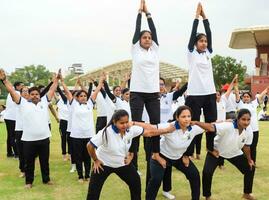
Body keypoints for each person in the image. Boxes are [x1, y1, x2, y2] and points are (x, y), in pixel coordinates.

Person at [86, 109, 175, 200]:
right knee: (93, 193)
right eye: (121, 123)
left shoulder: (130, 129)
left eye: (126, 122)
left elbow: (149, 133)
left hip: (122, 163)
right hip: (103, 164)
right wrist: (96, 160)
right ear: (114, 122)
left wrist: (166, 131)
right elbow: (90, 145)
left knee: (135, 182)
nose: (125, 125)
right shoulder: (105, 133)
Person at [0, 68, 60, 188]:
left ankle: (46, 179)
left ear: (39, 95)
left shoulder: (44, 102)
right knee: (29, 162)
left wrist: (56, 81)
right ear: (28, 95)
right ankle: (29, 182)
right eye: (32, 94)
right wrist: (5, 80)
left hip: (44, 139)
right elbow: (12, 90)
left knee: (44, 161)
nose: (34, 96)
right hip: (28, 140)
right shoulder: (22, 103)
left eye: (37, 94)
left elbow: (52, 90)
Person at [137, 106, 204, 200]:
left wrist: (227, 122)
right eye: (183, 116)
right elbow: (150, 127)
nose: (187, 119)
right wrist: (133, 123)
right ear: (177, 117)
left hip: (178, 157)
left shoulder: (194, 128)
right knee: (156, 180)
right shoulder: (170, 126)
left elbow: (211, 126)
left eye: (189, 116)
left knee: (194, 175)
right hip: (161, 156)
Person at [129, 0, 163, 182]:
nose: (148, 39)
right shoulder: (135, 49)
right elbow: (136, 31)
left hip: (152, 93)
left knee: (156, 124)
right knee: (135, 124)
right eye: (145, 37)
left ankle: (156, 153)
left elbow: (154, 31)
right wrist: (139, 13)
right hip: (137, 92)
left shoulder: (155, 50)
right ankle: (131, 156)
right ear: (140, 40)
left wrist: (149, 14)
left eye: (149, 37)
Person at [193, 109, 256, 200]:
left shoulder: (249, 130)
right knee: (207, 172)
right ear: (237, 119)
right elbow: (210, 127)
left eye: (248, 120)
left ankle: (247, 193)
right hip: (217, 152)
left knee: (250, 168)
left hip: (234, 153)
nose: (246, 122)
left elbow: (246, 147)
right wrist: (196, 122)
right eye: (243, 119)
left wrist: (250, 160)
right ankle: (207, 196)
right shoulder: (228, 126)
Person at [184, 3, 217, 158]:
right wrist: (196, 17)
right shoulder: (192, 53)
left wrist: (206, 17)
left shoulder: (208, 53)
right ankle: (189, 153)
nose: (204, 43)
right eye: (201, 41)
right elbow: (192, 34)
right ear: (196, 43)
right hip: (195, 94)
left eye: (205, 41)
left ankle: (210, 148)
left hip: (209, 93)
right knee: (192, 123)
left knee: (211, 123)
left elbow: (209, 32)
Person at [60, 74, 104, 182]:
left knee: (87, 156)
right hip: (76, 136)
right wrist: (61, 80)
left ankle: (87, 176)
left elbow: (96, 91)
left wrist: (101, 80)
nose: (83, 97)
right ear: (77, 98)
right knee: (78, 157)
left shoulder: (89, 104)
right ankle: (80, 176)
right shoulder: (73, 104)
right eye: (81, 96)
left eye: (85, 96)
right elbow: (67, 92)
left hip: (89, 135)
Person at [236, 86, 269, 164]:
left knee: (253, 147)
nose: (246, 98)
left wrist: (267, 88)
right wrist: (235, 86)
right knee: (243, 146)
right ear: (242, 98)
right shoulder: (240, 104)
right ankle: (244, 162)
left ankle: (253, 162)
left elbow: (261, 95)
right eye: (244, 97)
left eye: (248, 96)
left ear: (250, 98)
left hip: (254, 129)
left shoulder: (254, 104)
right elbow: (237, 93)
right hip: (244, 130)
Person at [4, 81, 23, 157]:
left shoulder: (11, 93)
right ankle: (16, 153)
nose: (23, 87)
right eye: (22, 86)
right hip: (12, 118)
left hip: (8, 117)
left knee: (10, 136)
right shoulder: (17, 94)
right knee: (13, 136)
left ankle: (9, 152)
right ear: (17, 87)